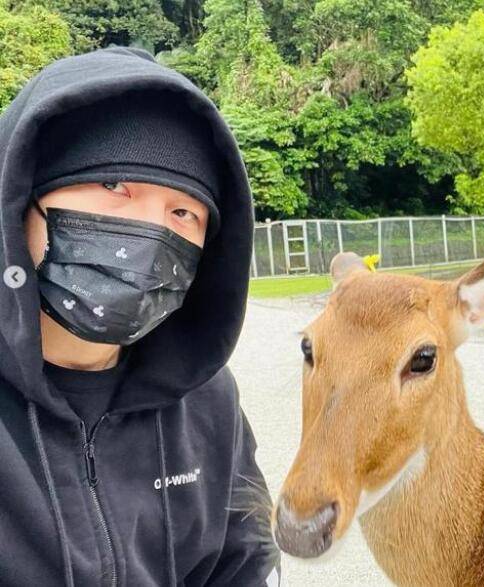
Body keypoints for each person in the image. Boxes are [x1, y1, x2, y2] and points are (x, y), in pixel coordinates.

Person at [0, 46, 281, 586]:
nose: (151, 236)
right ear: (21, 203)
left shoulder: (207, 402)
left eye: (183, 212)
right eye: (114, 186)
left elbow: (246, 563)